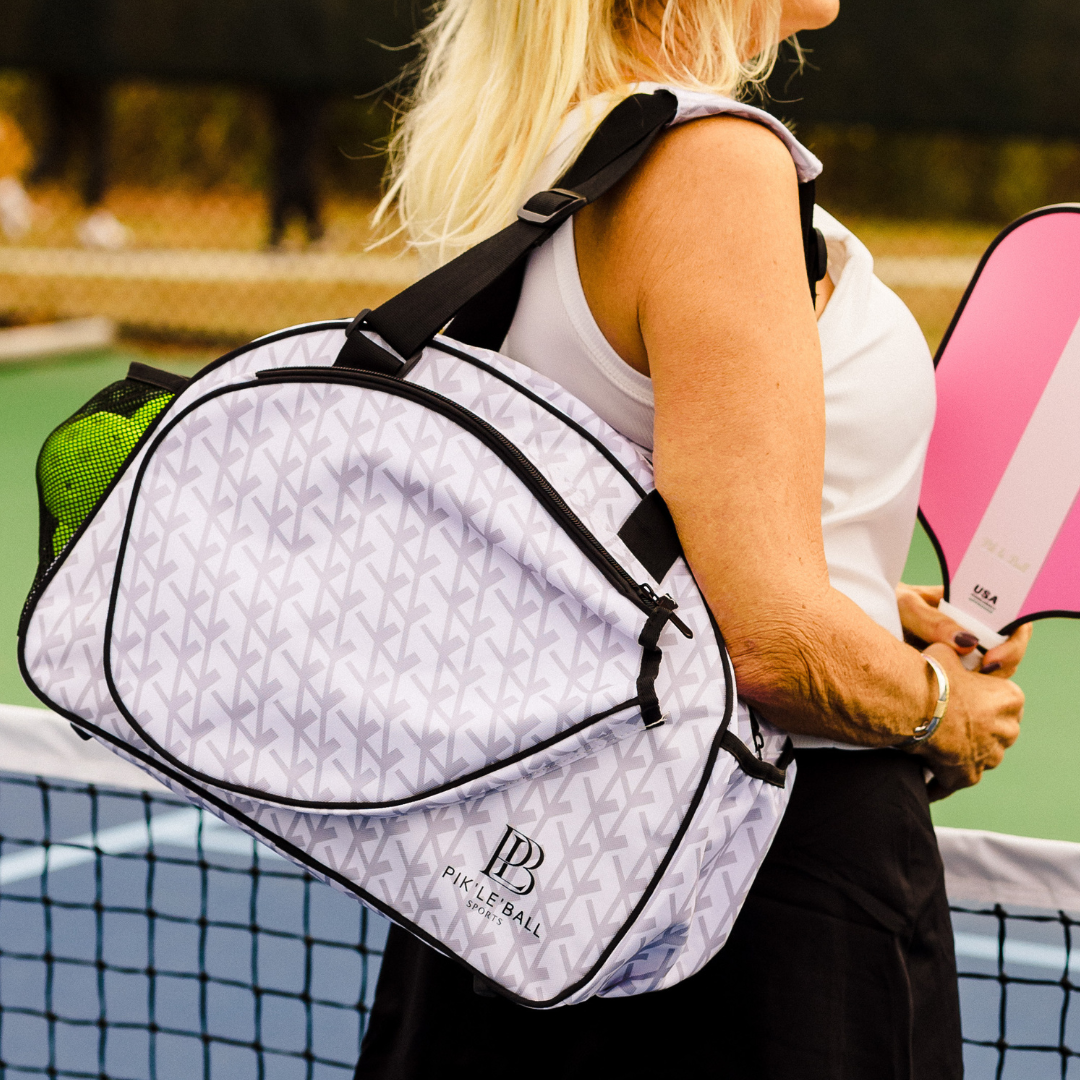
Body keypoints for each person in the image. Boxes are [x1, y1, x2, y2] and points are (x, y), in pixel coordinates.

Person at [354, 2, 1030, 1077]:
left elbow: (599, 513)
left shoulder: (536, 143)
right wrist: (944, 714)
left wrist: (860, 593)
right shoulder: (712, 163)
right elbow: (767, 643)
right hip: (758, 900)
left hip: (517, 871)